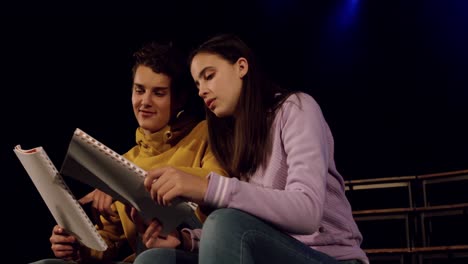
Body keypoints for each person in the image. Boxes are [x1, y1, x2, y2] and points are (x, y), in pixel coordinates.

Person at [132, 33, 369, 264]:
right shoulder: (237, 139)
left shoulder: (296, 108)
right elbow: (246, 228)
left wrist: (208, 187)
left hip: (327, 256)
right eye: (197, 83)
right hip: (270, 251)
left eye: (209, 76)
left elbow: (307, 212)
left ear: (241, 67)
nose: (202, 90)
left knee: (224, 221)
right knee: (155, 258)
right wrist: (186, 241)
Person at [30, 41, 226, 264]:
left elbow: (216, 183)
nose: (145, 102)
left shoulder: (206, 134)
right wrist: (78, 247)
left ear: (179, 99)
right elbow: (107, 242)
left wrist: (124, 183)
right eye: (139, 90)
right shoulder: (127, 159)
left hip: (196, 249)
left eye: (159, 93)